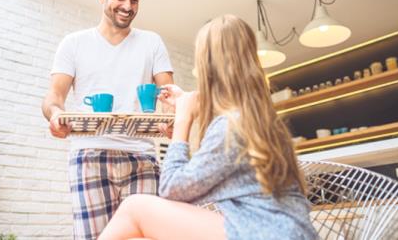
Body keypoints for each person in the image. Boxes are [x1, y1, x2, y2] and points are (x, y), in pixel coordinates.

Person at [98, 15, 317, 240]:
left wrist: (183, 120)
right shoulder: (256, 121)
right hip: (281, 230)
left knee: (135, 207)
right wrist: (194, 108)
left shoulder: (230, 127)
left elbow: (172, 190)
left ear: (208, 67)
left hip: (264, 233)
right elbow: (208, 171)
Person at [41, 0, 174, 239]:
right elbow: (54, 97)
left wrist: (172, 119)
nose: (127, 6)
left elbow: (169, 93)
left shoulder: (152, 43)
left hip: (142, 158)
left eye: (134, 0)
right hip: (89, 155)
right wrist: (55, 115)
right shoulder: (73, 43)